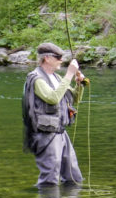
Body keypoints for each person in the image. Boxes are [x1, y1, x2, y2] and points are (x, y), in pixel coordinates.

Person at [22, 42, 85, 187]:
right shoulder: (36, 78)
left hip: (61, 132)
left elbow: (75, 99)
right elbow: (53, 98)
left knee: (74, 176)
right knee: (49, 179)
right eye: (58, 57)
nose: (61, 60)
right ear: (47, 58)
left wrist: (78, 84)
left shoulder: (56, 78)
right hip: (45, 135)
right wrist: (69, 74)